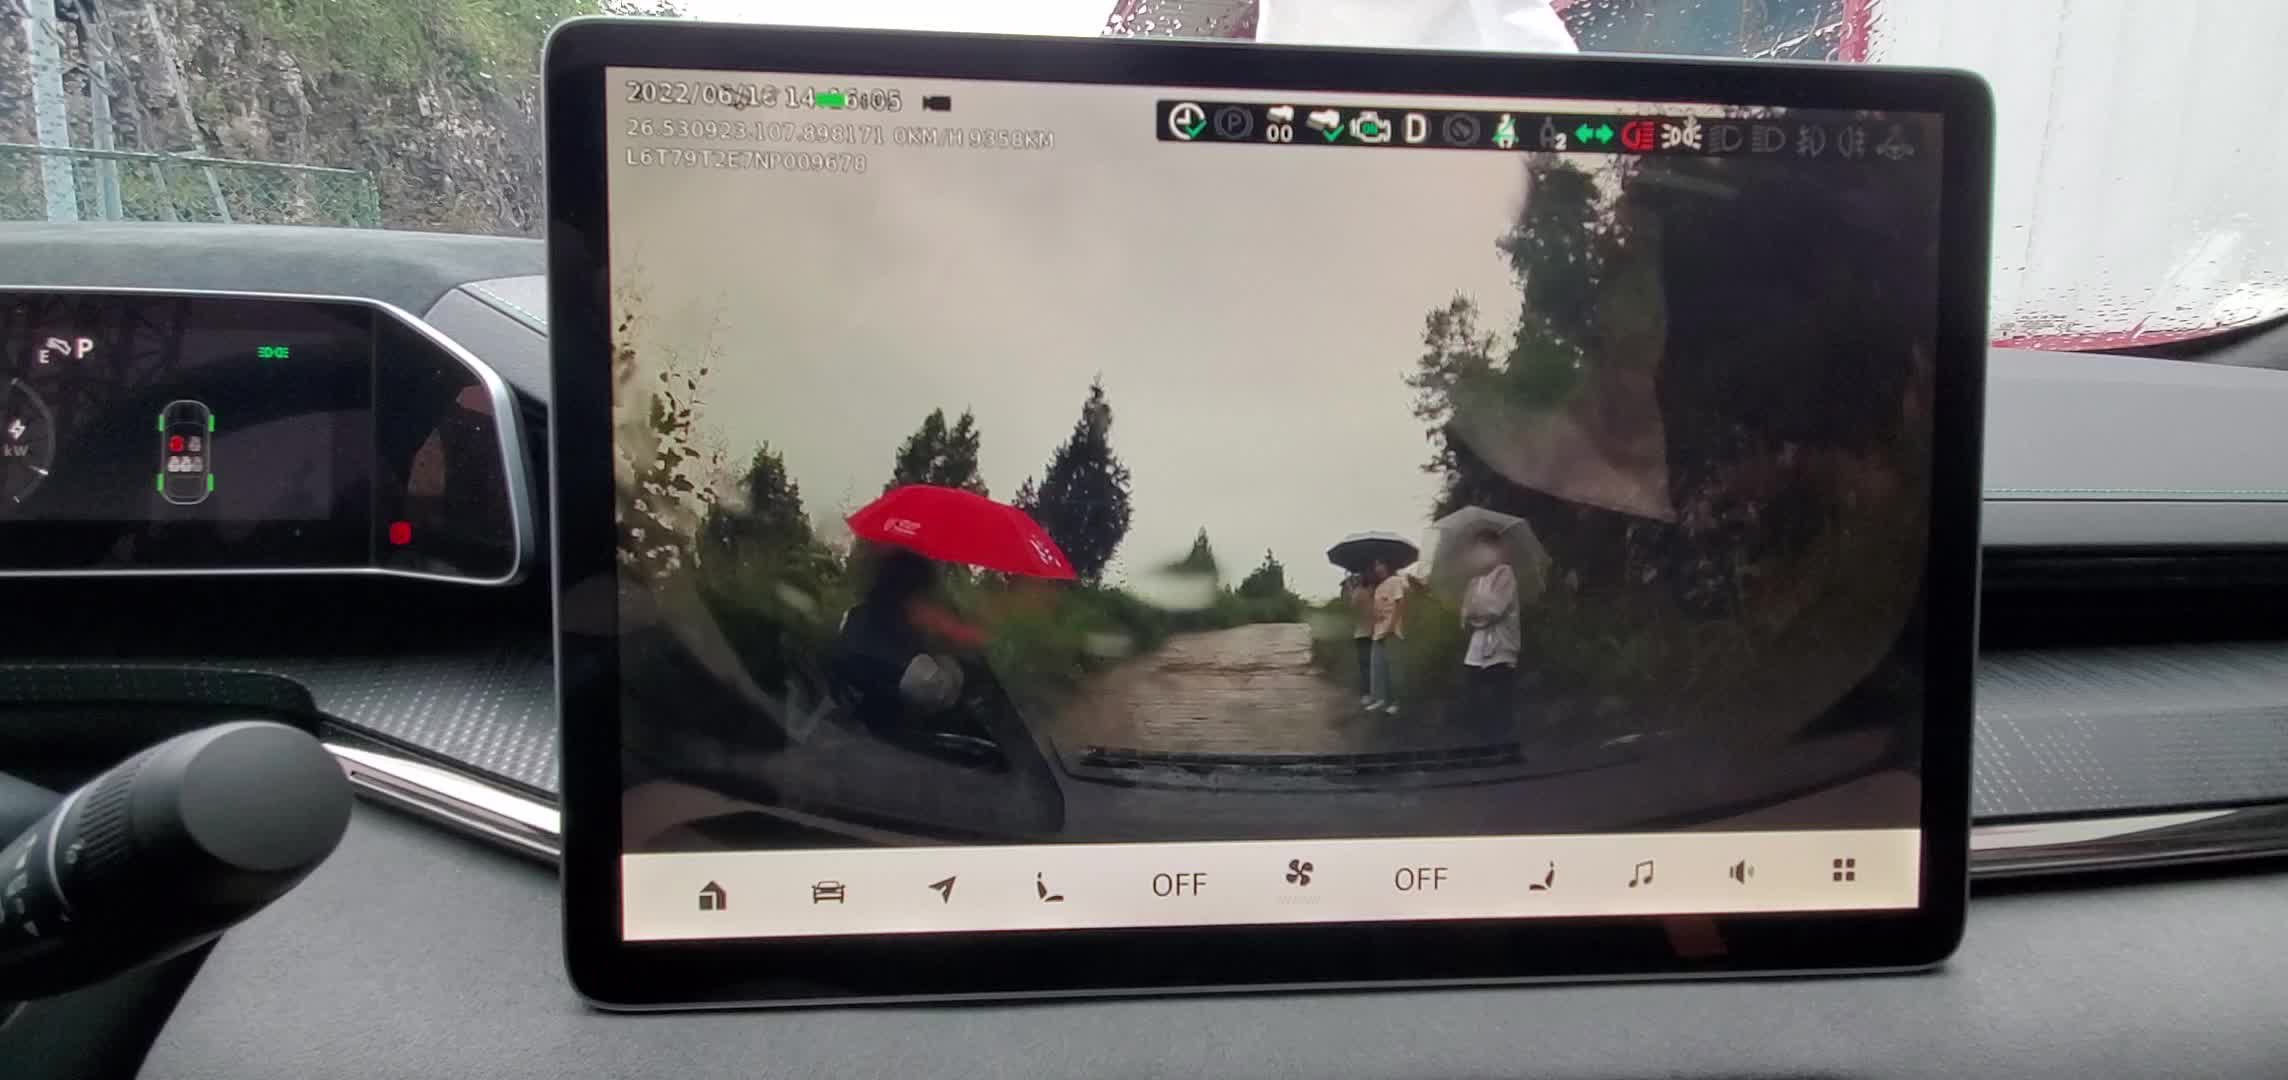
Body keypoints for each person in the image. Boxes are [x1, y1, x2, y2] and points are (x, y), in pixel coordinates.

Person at [1457, 528, 1522, 728]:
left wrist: (1475, 613)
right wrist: (1473, 614)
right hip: (1476, 648)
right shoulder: (1475, 581)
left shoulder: (1504, 573)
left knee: (1500, 702)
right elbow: (1464, 615)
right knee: (1474, 699)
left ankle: (1502, 740)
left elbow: (1494, 610)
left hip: (1500, 647)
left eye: (1484, 548)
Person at [1367, 558, 1409, 716]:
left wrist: (1392, 626)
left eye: (1381, 564)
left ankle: (1395, 702)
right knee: (1378, 668)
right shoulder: (1378, 588)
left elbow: (1400, 603)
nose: (1378, 568)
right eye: (1375, 565)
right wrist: (1375, 616)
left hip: (1392, 632)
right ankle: (1380, 699)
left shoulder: (1395, 581)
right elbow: (1376, 611)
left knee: (1393, 670)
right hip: (1378, 633)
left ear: (1388, 565)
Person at [1344, 572, 1377, 706]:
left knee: (1365, 666)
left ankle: (1367, 694)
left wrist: (1351, 590)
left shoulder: (1360, 591)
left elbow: (1353, 607)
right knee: (1376, 665)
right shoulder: (1376, 590)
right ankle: (1377, 693)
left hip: (1363, 633)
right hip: (1376, 632)